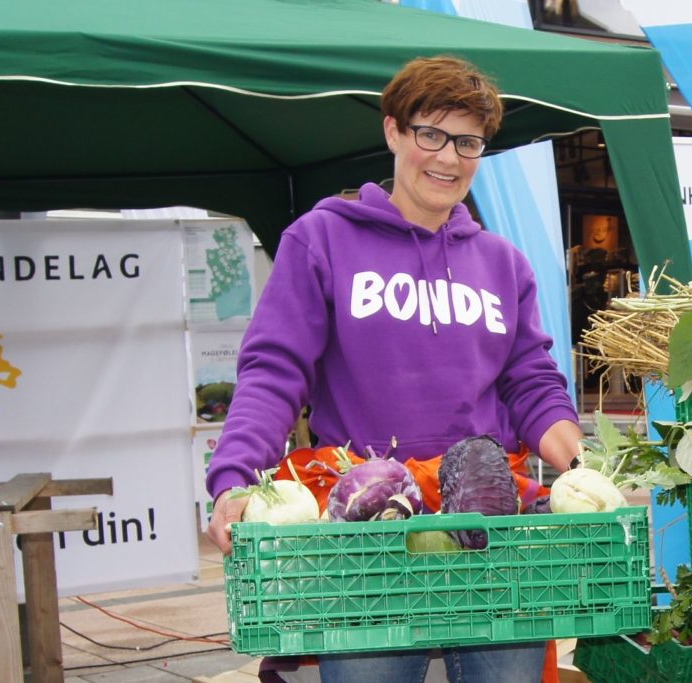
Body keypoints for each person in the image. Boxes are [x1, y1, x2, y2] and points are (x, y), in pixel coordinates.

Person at [205, 55, 582, 683]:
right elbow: (275, 370)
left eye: (468, 142)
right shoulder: (321, 239)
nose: (448, 157)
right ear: (393, 133)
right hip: (367, 534)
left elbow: (531, 383)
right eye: (430, 134)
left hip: (490, 528)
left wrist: (584, 472)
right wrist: (234, 478)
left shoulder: (503, 263)